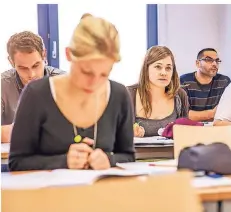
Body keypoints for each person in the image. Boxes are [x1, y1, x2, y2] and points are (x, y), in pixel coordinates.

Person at [9, 13, 135, 171]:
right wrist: (63, 161)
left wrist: (109, 159)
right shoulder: (36, 95)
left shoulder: (119, 95)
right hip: (50, 195)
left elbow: (129, 156)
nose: (94, 83)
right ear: (68, 54)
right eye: (86, 72)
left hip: (103, 194)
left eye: (104, 74)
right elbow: (17, 162)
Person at [1, 31, 65, 143]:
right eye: (23, 68)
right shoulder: (3, 85)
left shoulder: (64, 82)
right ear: (11, 62)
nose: (32, 74)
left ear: (44, 55)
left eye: (36, 65)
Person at [127, 46, 189, 137]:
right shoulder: (128, 94)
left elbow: (185, 134)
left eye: (168, 68)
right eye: (158, 67)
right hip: (138, 151)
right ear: (146, 68)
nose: (163, 73)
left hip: (172, 151)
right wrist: (128, 133)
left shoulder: (180, 95)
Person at [180, 48, 230, 122]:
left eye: (217, 61)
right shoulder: (184, 81)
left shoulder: (224, 81)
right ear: (197, 63)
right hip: (190, 128)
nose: (214, 64)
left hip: (216, 128)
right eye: (209, 60)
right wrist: (212, 114)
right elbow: (181, 115)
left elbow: (227, 114)